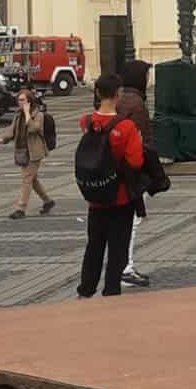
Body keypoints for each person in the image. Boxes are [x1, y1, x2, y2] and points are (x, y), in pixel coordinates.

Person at [75, 74, 144, 298]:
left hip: (95, 196)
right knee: (117, 248)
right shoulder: (126, 127)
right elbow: (135, 162)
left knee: (94, 245)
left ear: (97, 93)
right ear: (118, 95)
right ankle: (111, 290)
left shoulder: (86, 122)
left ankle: (86, 290)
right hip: (120, 196)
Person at [0, 87, 56, 218]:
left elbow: (34, 129)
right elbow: (11, 132)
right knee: (32, 179)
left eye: (23, 100)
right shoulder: (18, 116)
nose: (20, 102)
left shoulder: (38, 115)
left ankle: (21, 209)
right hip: (22, 151)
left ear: (29, 101)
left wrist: (28, 113)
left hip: (35, 152)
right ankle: (48, 201)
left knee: (26, 179)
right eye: (19, 100)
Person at [114, 58, 154, 287]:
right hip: (132, 172)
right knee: (132, 220)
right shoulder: (136, 104)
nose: (148, 80)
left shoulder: (119, 99)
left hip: (117, 170)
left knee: (123, 220)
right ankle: (125, 268)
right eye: (146, 75)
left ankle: (121, 266)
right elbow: (141, 141)